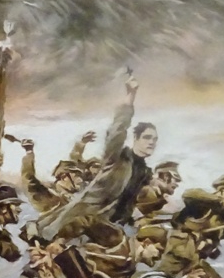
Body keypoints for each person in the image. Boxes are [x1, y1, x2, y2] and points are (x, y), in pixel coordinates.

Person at [36, 74, 158, 240]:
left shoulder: (144, 172)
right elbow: (117, 132)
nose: (151, 142)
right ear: (136, 138)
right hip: (79, 222)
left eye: (155, 139)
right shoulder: (117, 158)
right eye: (147, 137)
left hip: (108, 229)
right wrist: (131, 96)